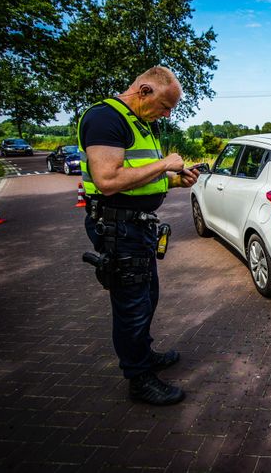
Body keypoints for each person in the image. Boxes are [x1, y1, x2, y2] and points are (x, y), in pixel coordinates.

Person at [78, 66, 199, 405]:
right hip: (119, 227)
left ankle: (143, 355)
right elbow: (108, 180)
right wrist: (165, 165)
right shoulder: (105, 118)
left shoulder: (143, 124)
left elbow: (137, 177)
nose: (167, 113)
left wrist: (174, 181)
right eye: (164, 105)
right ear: (144, 90)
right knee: (131, 305)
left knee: (148, 296)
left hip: (138, 225)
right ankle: (139, 378)